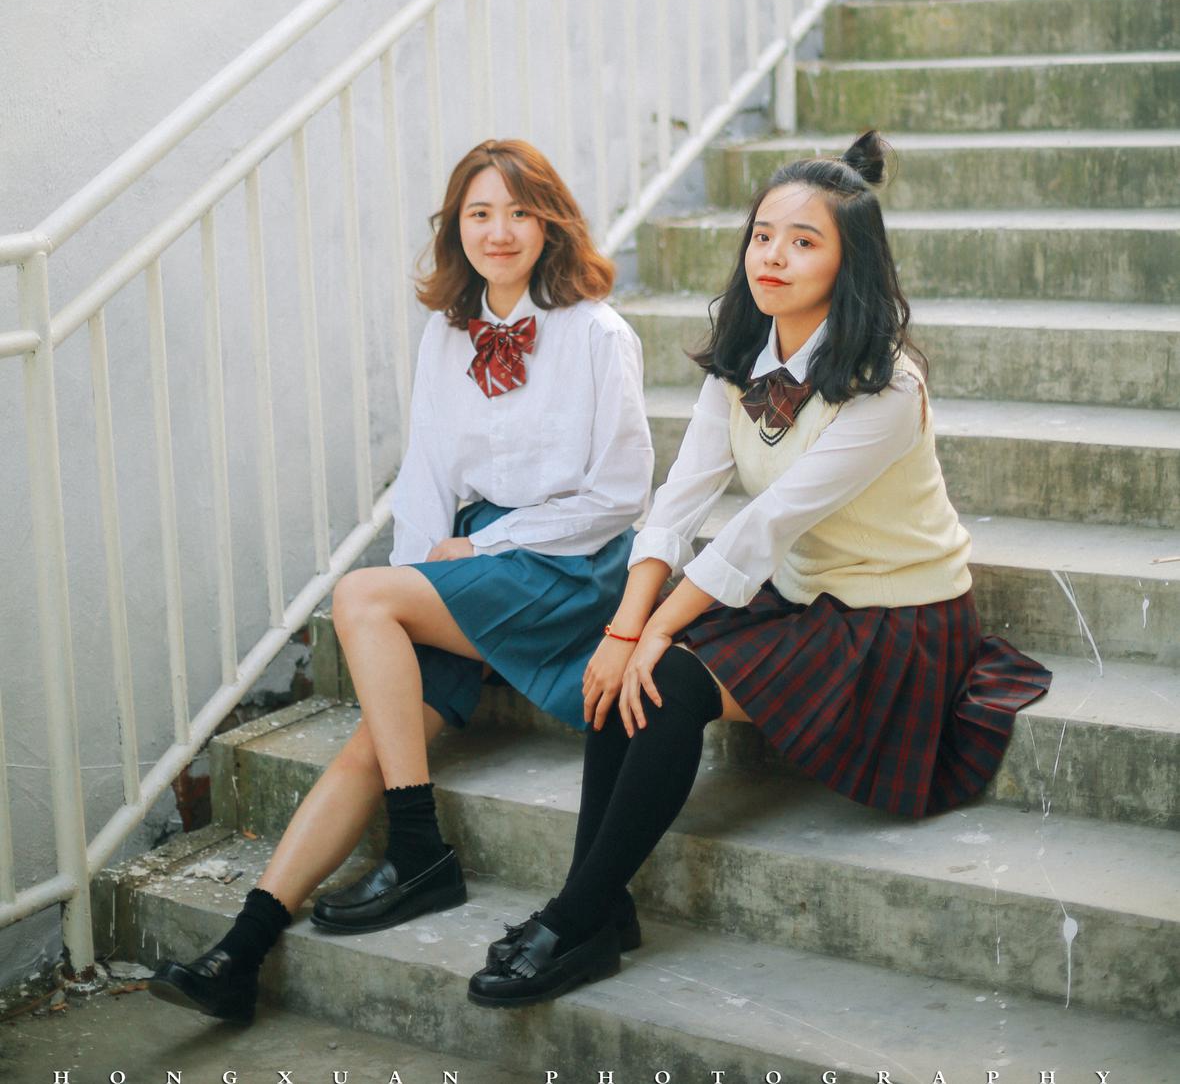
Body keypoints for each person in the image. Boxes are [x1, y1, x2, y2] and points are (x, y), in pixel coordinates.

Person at [467, 130, 1052, 1008]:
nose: (772, 256)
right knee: (622, 670)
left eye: (803, 241)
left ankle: (576, 916)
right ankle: (598, 913)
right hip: (803, 592)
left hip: (894, 619)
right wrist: (625, 627)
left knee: (662, 680)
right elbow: (679, 502)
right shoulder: (741, 365)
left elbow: (761, 529)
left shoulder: (888, 387)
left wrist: (648, 634)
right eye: (763, 235)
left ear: (849, 263)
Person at [149, 138, 653, 1024]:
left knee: (359, 594)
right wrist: (419, 583)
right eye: (479, 214)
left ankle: (419, 849)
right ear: (456, 229)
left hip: (567, 563)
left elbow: (619, 496)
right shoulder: (447, 334)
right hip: (475, 564)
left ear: (551, 222)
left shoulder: (597, 333)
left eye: (519, 212)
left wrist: (465, 561)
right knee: (374, 742)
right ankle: (241, 952)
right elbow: (424, 480)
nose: (499, 232)